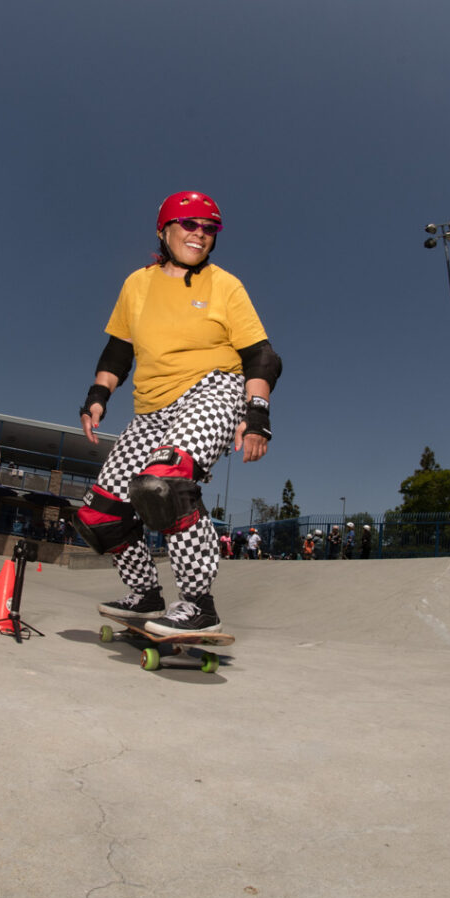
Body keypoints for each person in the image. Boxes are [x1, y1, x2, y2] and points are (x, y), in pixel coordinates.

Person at [74, 190, 281, 633]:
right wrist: (97, 396)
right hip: (150, 410)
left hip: (213, 390)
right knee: (100, 514)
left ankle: (198, 604)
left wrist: (257, 415)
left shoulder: (225, 285)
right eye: (189, 225)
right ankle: (146, 595)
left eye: (209, 229)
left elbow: (261, 356)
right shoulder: (137, 285)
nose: (199, 235)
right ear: (164, 230)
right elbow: (117, 351)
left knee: (165, 485)